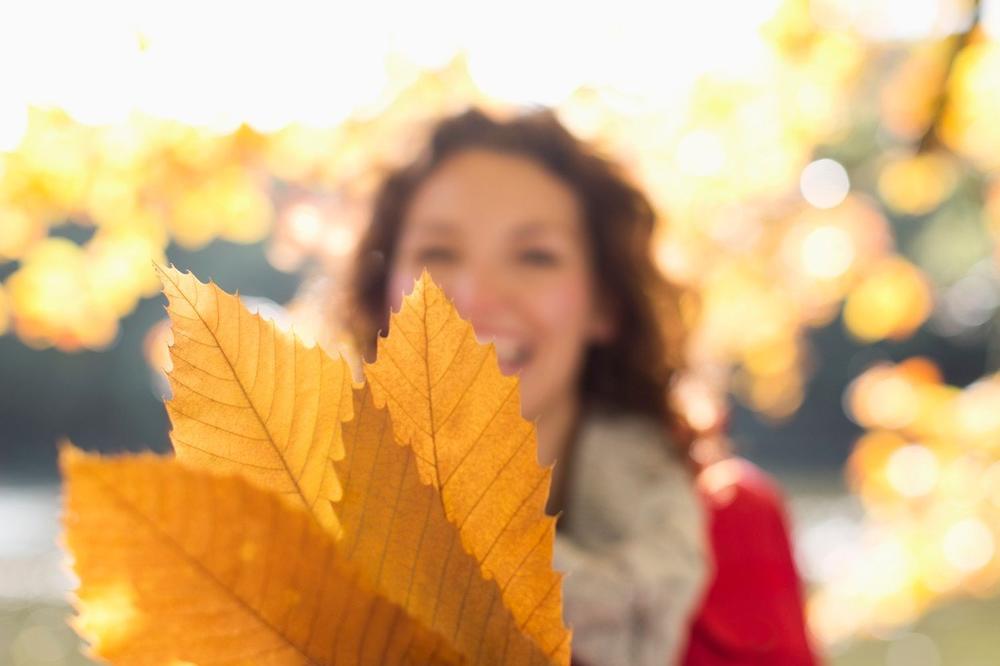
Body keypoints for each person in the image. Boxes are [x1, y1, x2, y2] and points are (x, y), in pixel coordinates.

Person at [339, 107, 816, 665]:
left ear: (604, 303)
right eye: (437, 253)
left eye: (535, 256)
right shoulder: (301, 515)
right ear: (381, 297)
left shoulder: (735, 527)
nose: (474, 296)